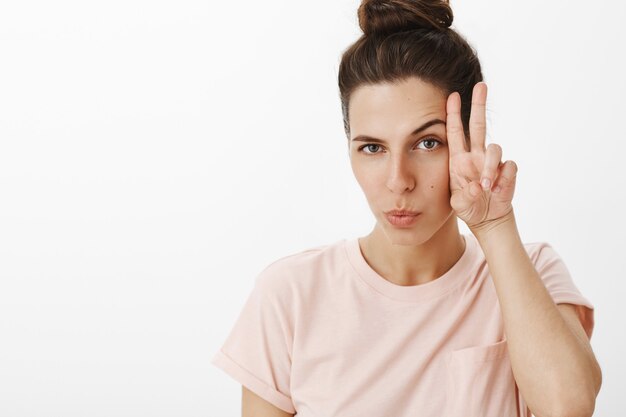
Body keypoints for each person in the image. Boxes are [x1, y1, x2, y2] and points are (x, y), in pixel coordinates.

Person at [211, 0, 602, 416]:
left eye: (427, 143)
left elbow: (569, 406)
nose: (399, 180)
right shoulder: (290, 294)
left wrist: (495, 225)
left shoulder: (531, 271)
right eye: (373, 148)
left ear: (467, 141)